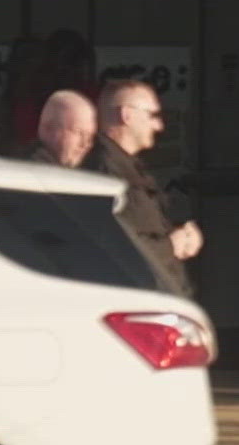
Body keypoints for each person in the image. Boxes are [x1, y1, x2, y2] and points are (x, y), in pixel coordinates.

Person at [86, 80, 203, 299]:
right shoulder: (105, 171)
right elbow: (114, 243)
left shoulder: (129, 167)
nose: (159, 126)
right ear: (127, 116)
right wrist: (171, 246)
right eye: (152, 115)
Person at [29, 89, 97, 168]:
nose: (85, 144)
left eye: (89, 137)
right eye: (78, 132)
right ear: (48, 129)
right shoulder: (32, 174)